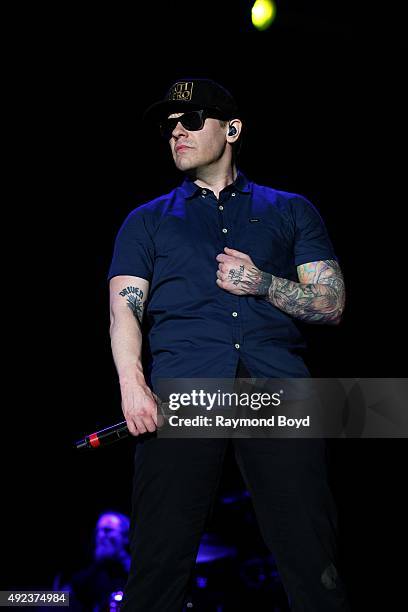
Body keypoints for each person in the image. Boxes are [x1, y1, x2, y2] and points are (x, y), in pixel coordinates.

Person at [107, 78, 350, 611]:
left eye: (191, 121)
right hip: (184, 393)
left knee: (314, 561)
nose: (177, 132)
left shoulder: (290, 209)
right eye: (170, 125)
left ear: (231, 129)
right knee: (157, 563)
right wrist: (132, 384)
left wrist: (261, 282)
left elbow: (331, 304)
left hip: (276, 394)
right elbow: (124, 309)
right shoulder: (146, 220)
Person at [59, 511, 131, 611]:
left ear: (126, 536)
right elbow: (60, 598)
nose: (101, 536)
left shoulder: (135, 569)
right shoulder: (93, 572)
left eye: (107, 530)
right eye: (98, 531)